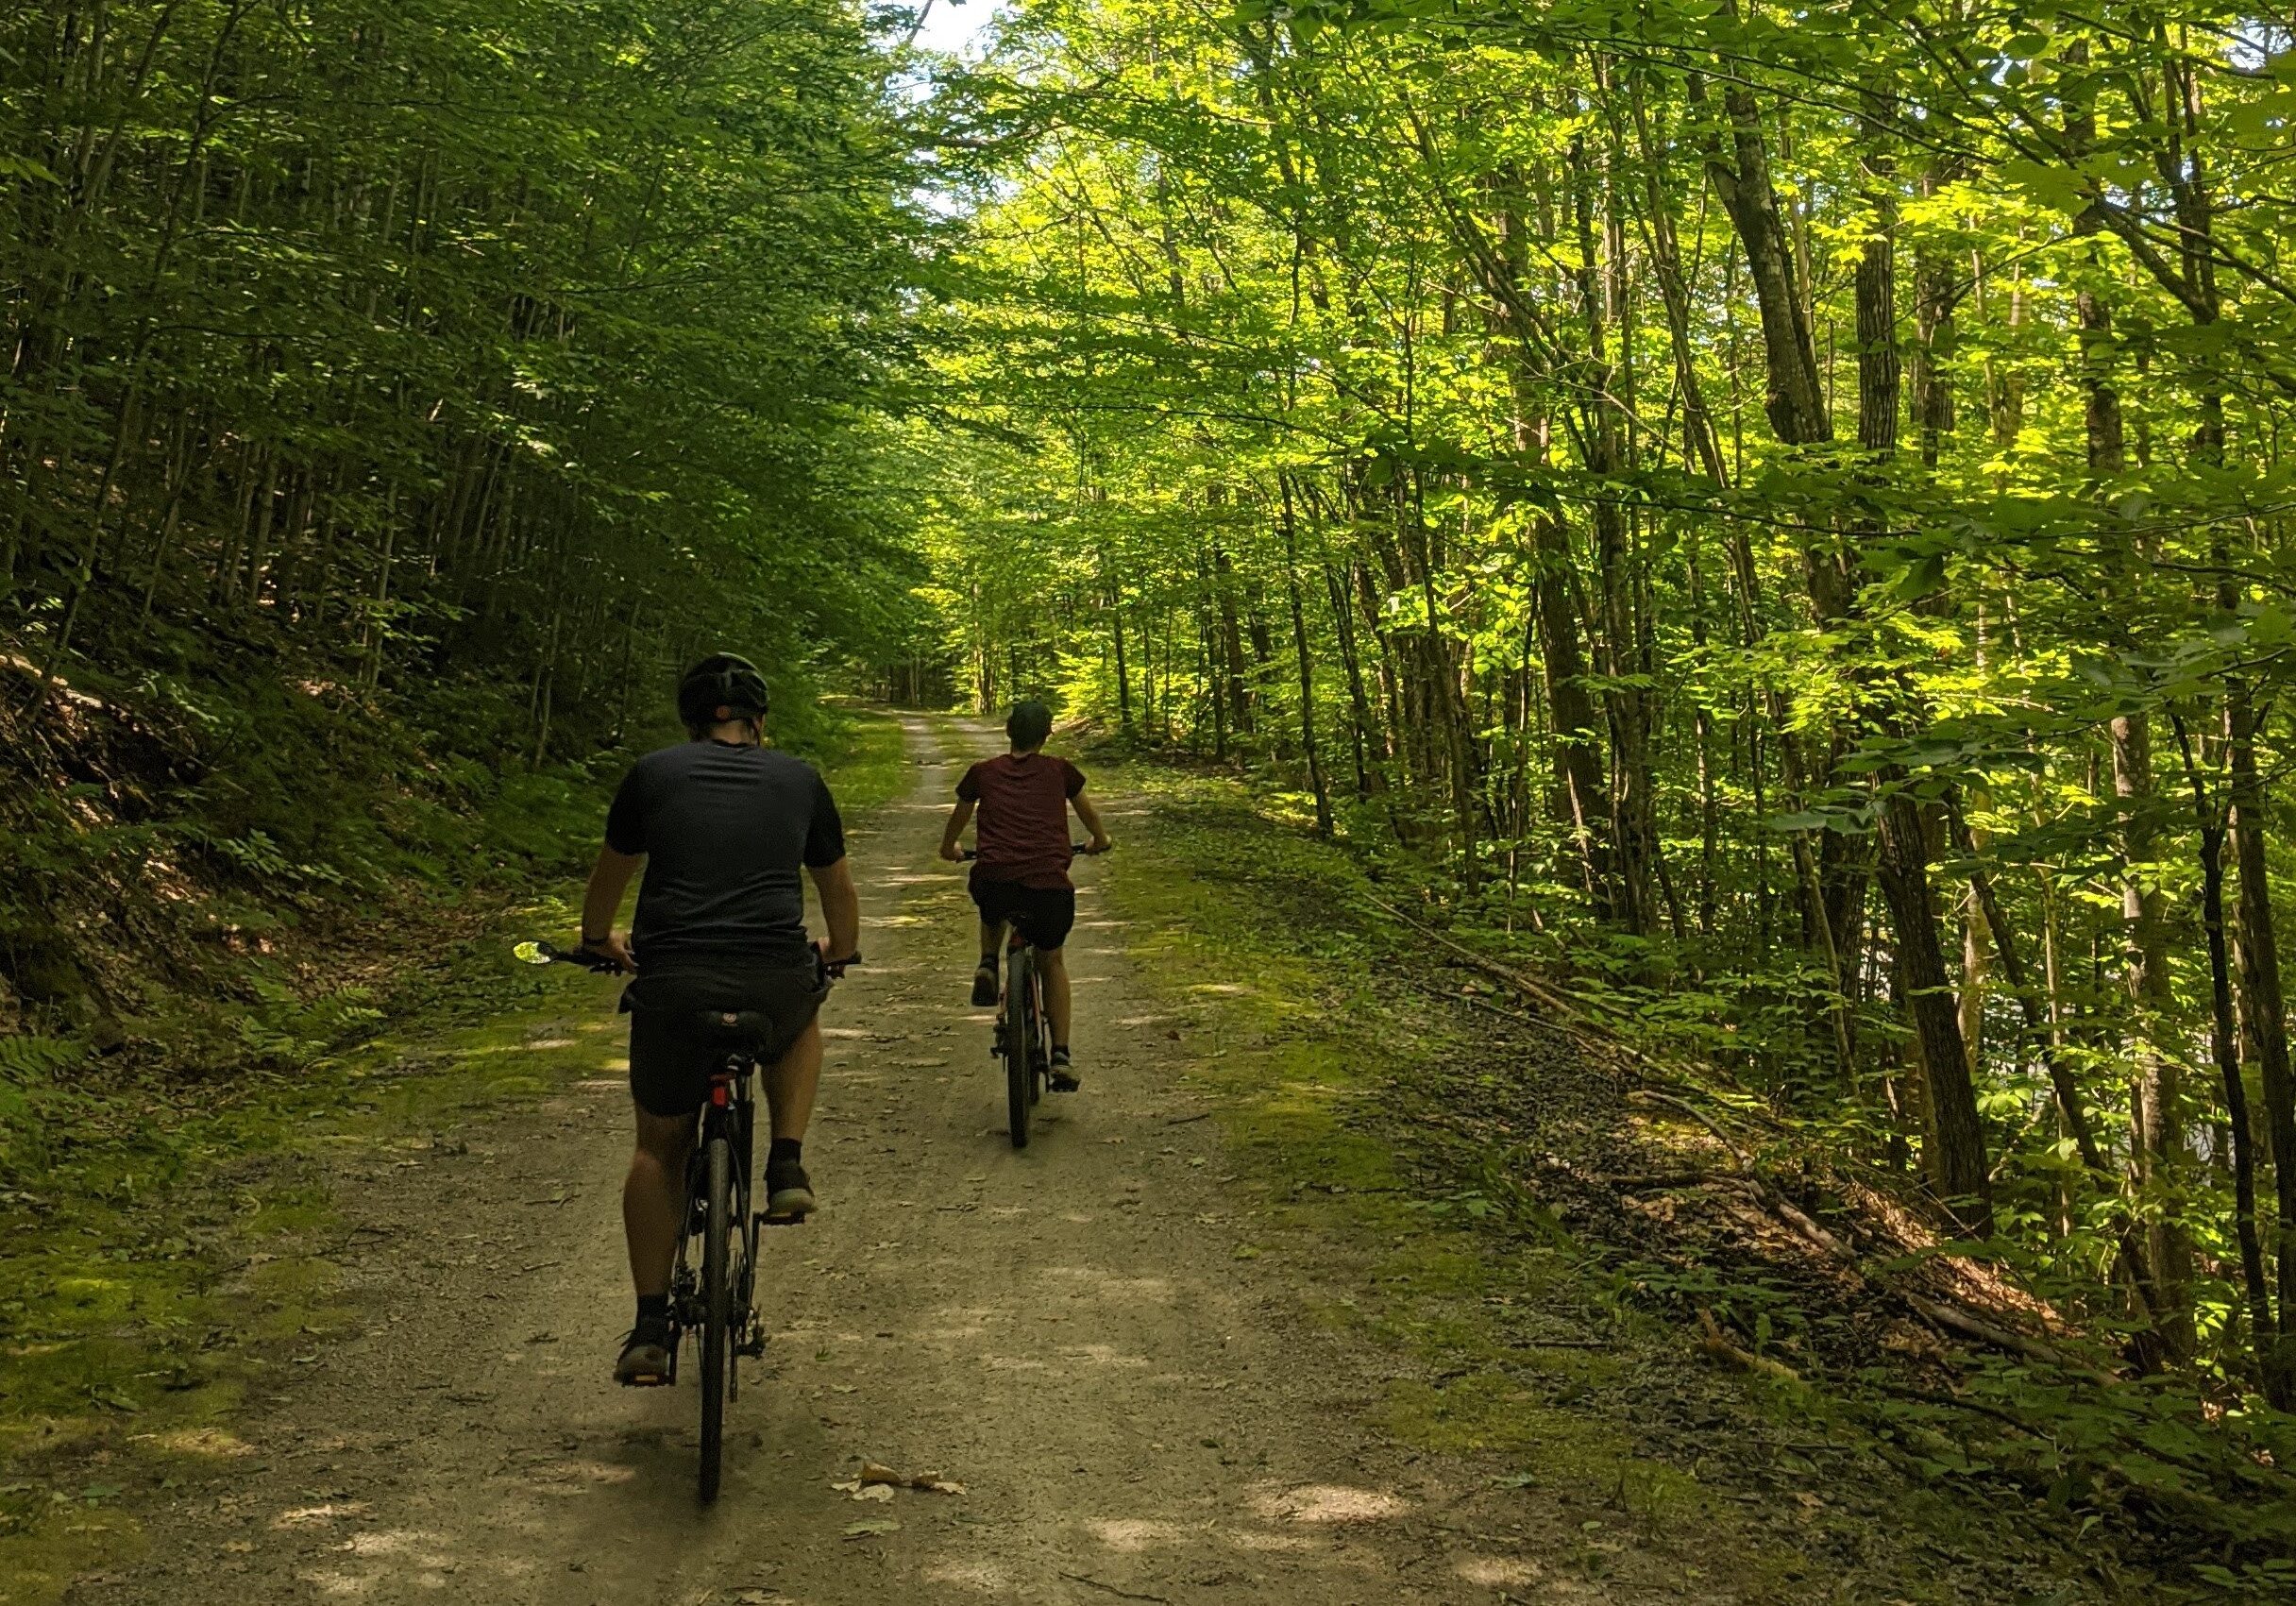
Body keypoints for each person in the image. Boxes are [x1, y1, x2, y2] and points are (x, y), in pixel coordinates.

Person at [574, 652, 860, 1386]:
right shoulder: (800, 779)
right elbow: (837, 892)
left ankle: (647, 1326)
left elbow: (609, 881)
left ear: (692, 721)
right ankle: (787, 1160)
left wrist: (599, 941)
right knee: (801, 1016)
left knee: (657, 1150)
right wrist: (838, 954)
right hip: (771, 976)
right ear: (759, 722)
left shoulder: (652, 774)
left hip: (673, 981)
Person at [937, 700, 1110, 1090]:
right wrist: (1099, 841)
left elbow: (960, 814)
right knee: (1052, 962)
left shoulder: (982, 773)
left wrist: (949, 847)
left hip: (995, 877)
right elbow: (1089, 815)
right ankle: (1061, 1055)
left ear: (1008, 732)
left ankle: (986, 962)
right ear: (1047, 734)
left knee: (991, 897)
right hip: (1048, 887)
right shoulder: (1061, 771)